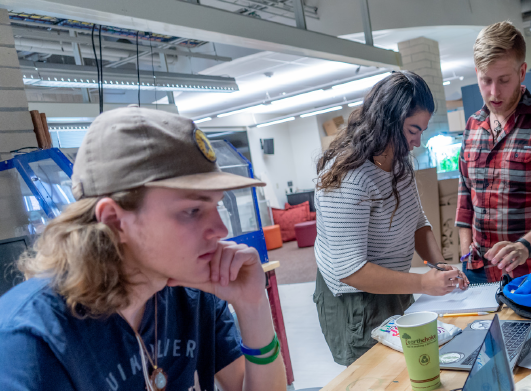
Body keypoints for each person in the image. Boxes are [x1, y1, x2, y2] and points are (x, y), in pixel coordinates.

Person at [0, 107, 287, 391]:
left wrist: (253, 307)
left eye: (216, 205)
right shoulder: (30, 340)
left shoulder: (194, 292)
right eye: (193, 210)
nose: (221, 230)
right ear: (114, 221)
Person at [313, 71, 470, 366]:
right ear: (387, 121)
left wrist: (439, 265)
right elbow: (351, 270)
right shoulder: (349, 178)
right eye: (412, 131)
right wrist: (423, 284)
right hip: (357, 300)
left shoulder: (396, 160)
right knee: (378, 374)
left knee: (408, 365)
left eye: (421, 131)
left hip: (392, 285)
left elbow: (417, 220)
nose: (418, 142)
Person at [456, 21, 531, 284]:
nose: (494, 92)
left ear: (522, 72)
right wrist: (465, 250)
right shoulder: (472, 126)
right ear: (477, 72)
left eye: (504, 80)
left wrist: (524, 247)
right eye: (485, 80)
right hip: (479, 273)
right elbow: (465, 193)